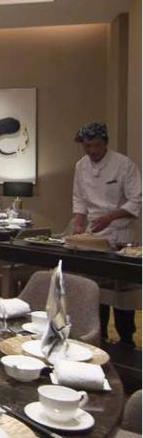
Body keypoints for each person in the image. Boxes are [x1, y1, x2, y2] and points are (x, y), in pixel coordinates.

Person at [72, 122, 142, 347]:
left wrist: (110, 217)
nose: (92, 150)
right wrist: (79, 223)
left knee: (122, 294)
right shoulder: (81, 166)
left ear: (105, 143)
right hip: (95, 235)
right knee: (96, 290)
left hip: (122, 233)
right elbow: (79, 199)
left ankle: (126, 340)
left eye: (96, 145)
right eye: (87, 146)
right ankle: (98, 336)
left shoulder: (124, 164)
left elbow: (136, 199)